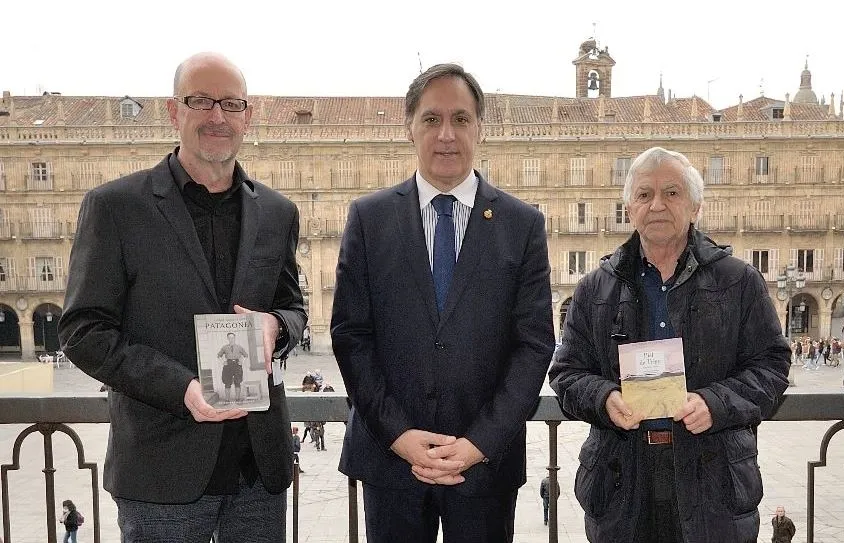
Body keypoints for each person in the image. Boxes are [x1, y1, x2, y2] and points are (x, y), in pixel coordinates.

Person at [58, 52, 307, 542]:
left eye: (231, 103)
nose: (217, 116)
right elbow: (82, 330)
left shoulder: (278, 212)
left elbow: (293, 305)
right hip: (160, 473)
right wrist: (181, 389)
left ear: (246, 116)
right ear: (175, 112)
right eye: (201, 101)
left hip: (258, 471)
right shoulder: (115, 207)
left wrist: (278, 326)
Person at [331, 63, 555, 543]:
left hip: (483, 470)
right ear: (409, 127)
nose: (447, 134)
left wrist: (479, 443)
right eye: (431, 119)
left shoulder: (522, 225)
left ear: (480, 128)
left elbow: (534, 346)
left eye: (461, 119)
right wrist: (399, 436)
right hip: (392, 467)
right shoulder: (369, 219)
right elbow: (351, 337)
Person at [548, 147, 789, 542]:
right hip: (622, 478)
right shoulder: (595, 288)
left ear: (695, 206)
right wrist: (605, 398)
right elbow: (566, 373)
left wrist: (716, 403)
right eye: (644, 195)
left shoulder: (738, 281)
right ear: (629, 207)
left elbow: (772, 366)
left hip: (712, 477)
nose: (657, 204)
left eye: (672, 193)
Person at [218, 332, 249, 403]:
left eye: (232, 337)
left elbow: (246, 355)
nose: (231, 339)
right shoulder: (224, 347)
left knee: (237, 382)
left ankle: (237, 399)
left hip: (237, 365)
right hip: (228, 366)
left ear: (234, 338)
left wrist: (242, 362)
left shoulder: (239, 347)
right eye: (229, 338)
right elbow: (219, 355)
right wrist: (223, 362)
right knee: (227, 383)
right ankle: (227, 400)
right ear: (227, 338)